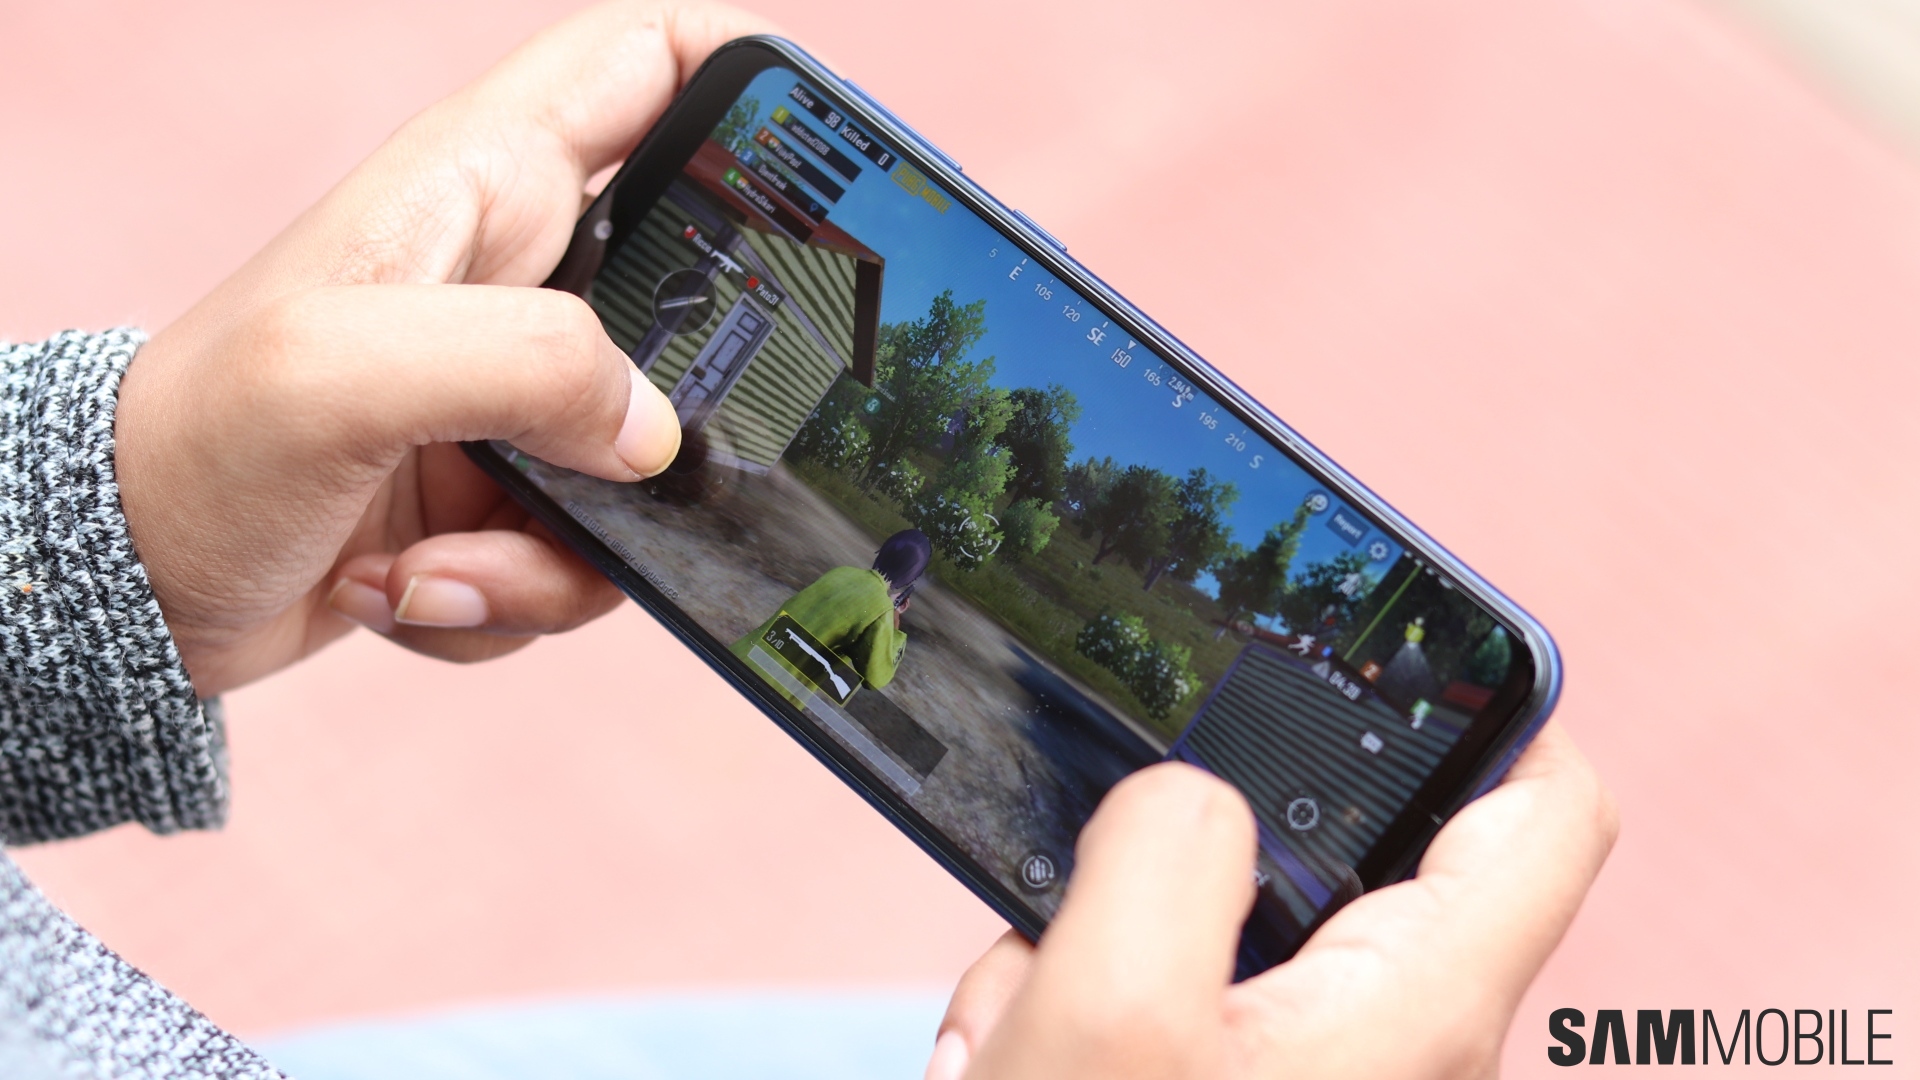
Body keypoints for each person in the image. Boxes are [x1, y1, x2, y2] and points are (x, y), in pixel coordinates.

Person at [0, 3, 1617, 1078]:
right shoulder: (867, 582)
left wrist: (92, 543)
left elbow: (859, 634)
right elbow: (846, 631)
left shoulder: (878, 586)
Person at [732, 529, 931, 698]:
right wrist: (893, 618)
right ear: (910, 577)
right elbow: (876, 678)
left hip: (738, 658)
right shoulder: (882, 611)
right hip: (769, 693)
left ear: (884, 551)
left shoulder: (842, 572)